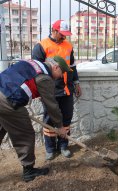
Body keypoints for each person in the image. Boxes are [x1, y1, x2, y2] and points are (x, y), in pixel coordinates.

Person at [0, 56, 70, 182]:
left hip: (2, 92)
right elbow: (51, 105)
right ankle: (29, 170)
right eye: (62, 72)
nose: (61, 76)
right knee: (25, 133)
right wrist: (60, 127)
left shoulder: (34, 63)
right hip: (8, 100)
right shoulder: (45, 77)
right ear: (55, 67)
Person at [32, 20, 82, 160]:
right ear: (54, 30)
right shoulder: (41, 47)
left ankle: (63, 145)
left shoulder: (68, 45)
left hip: (67, 89)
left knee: (66, 119)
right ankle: (50, 148)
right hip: (50, 91)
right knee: (49, 120)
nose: (64, 36)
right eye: (62, 34)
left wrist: (76, 83)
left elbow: (72, 66)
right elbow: (37, 71)